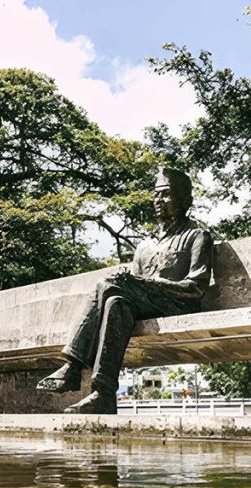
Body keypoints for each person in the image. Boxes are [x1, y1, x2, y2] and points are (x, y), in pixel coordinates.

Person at [37, 167, 213, 413]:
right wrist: (136, 285)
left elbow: (196, 288)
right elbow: (128, 292)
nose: (159, 201)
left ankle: (73, 365)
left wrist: (146, 284)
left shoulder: (197, 236)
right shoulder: (145, 245)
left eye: (166, 194)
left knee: (105, 285)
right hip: (144, 308)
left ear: (185, 200)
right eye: (156, 195)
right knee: (115, 304)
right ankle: (104, 394)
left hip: (178, 305)